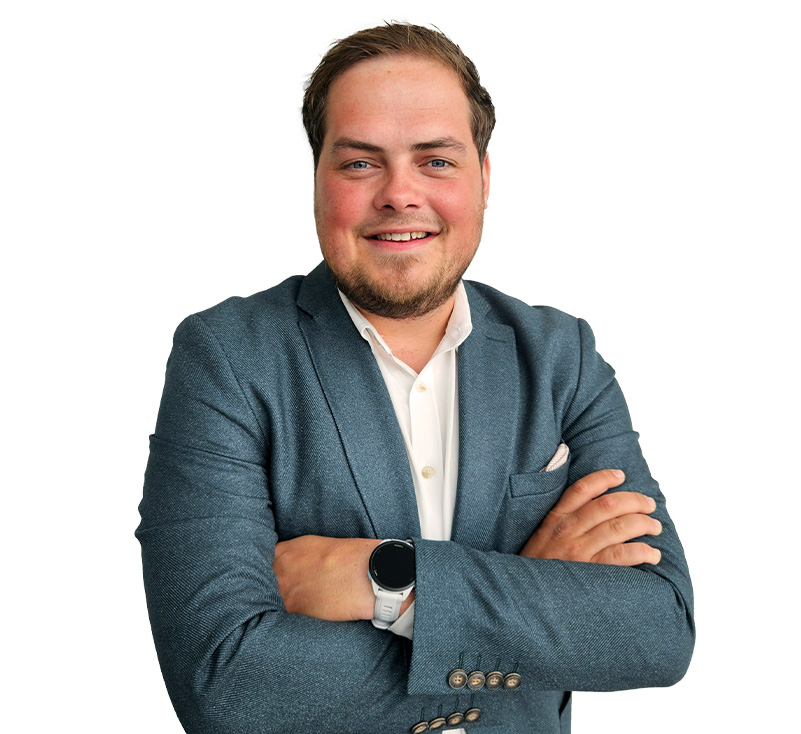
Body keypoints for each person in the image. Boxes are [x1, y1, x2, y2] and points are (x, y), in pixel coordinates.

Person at [137, 23, 694, 734]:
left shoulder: (562, 356)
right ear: (316, 179)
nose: (400, 194)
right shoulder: (227, 357)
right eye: (360, 163)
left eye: (435, 160)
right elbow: (225, 686)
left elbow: (659, 630)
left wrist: (388, 578)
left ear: (484, 179)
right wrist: (533, 604)